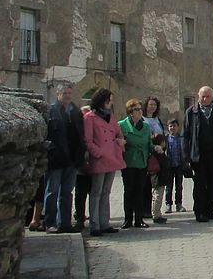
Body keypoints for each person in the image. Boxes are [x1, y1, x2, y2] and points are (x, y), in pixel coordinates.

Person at [43, 83, 86, 233]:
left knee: (67, 193)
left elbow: (81, 134)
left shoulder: (75, 112)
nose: (68, 96)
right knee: (52, 191)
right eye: (65, 93)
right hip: (56, 159)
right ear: (58, 94)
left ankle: (65, 223)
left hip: (72, 159)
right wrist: (51, 150)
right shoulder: (51, 111)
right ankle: (50, 223)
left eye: (69, 93)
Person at [83, 88, 125, 237]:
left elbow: (118, 131)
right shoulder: (90, 117)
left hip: (112, 158)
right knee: (96, 192)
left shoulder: (110, 116)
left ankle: (105, 222)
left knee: (106, 192)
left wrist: (120, 141)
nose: (110, 103)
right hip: (100, 159)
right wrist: (98, 153)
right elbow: (88, 140)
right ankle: (95, 224)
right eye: (109, 100)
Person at [183, 86, 213, 223]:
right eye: (203, 96)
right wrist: (186, 156)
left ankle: (209, 210)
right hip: (198, 155)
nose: (205, 99)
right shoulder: (191, 112)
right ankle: (199, 211)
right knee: (200, 184)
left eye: (208, 96)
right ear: (198, 96)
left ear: (212, 97)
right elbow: (186, 135)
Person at [119, 98, 156, 229]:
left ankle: (139, 219)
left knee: (140, 191)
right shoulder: (122, 125)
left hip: (142, 162)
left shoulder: (146, 126)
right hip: (128, 162)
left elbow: (148, 144)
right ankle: (128, 219)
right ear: (130, 112)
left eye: (141, 109)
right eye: (137, 109)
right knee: (129, 191)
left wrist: (155, 148)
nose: (140, 112)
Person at [142, 96, 165, 217]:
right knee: (146, 183)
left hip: (158, 154)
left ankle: (154, 208)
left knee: (155, 182)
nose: (152, 107)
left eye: (155, 105)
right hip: (147, 153)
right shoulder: (142, 119)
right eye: (150, 104)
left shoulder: (157, 120)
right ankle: (145, 209)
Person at [164, 118, 186, 213]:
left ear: (178, 127)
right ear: (168, 127)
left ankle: (179, 204)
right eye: (171, 126)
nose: (173, 128)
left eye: (174, 126)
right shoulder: (166, 139)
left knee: (179, 186)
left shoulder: (181, 138)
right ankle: (168, 204)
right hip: (169, 166)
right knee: (168, 187)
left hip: (179, 165)